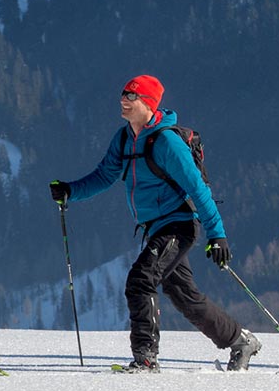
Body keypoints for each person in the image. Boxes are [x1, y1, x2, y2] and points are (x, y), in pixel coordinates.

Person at [48, 75, 260, 373]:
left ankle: (146, 359)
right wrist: (71, 190)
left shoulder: (167, 142)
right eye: (123, 93)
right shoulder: (124, 138)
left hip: (179, 225)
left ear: (147, 103)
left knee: (140, 280)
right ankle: (240, 340)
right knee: (184, 297)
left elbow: (199, 190)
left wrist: (218, 235)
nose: (123, 99)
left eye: (131, 96)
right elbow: (104, 175)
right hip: (155, 228)